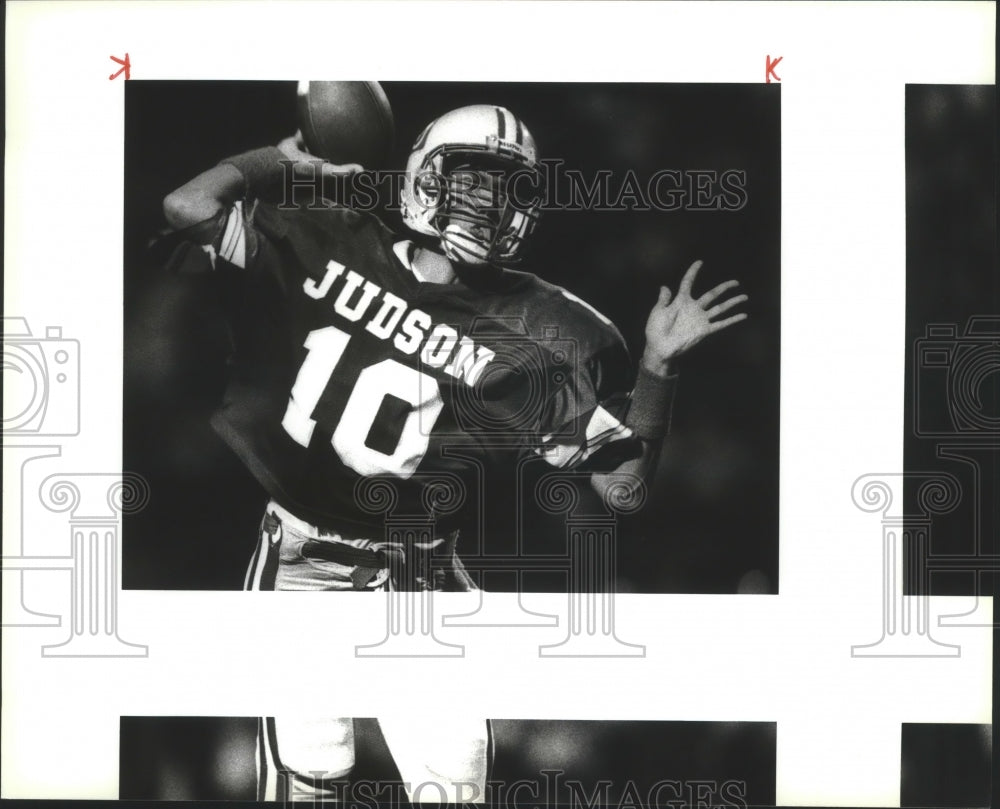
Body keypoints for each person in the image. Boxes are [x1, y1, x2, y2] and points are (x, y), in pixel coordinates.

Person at [162, 102, 748, 803]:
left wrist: (658, 368)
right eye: (475, 181)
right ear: (424, 178)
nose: (492, 204)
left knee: (456, 788)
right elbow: (187, 205)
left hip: (422, 573)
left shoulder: (535, 324)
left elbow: (622, 490)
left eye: (511, 189)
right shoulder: (333, 238)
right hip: (305, 562)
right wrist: (281, 163)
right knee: (308, 786)